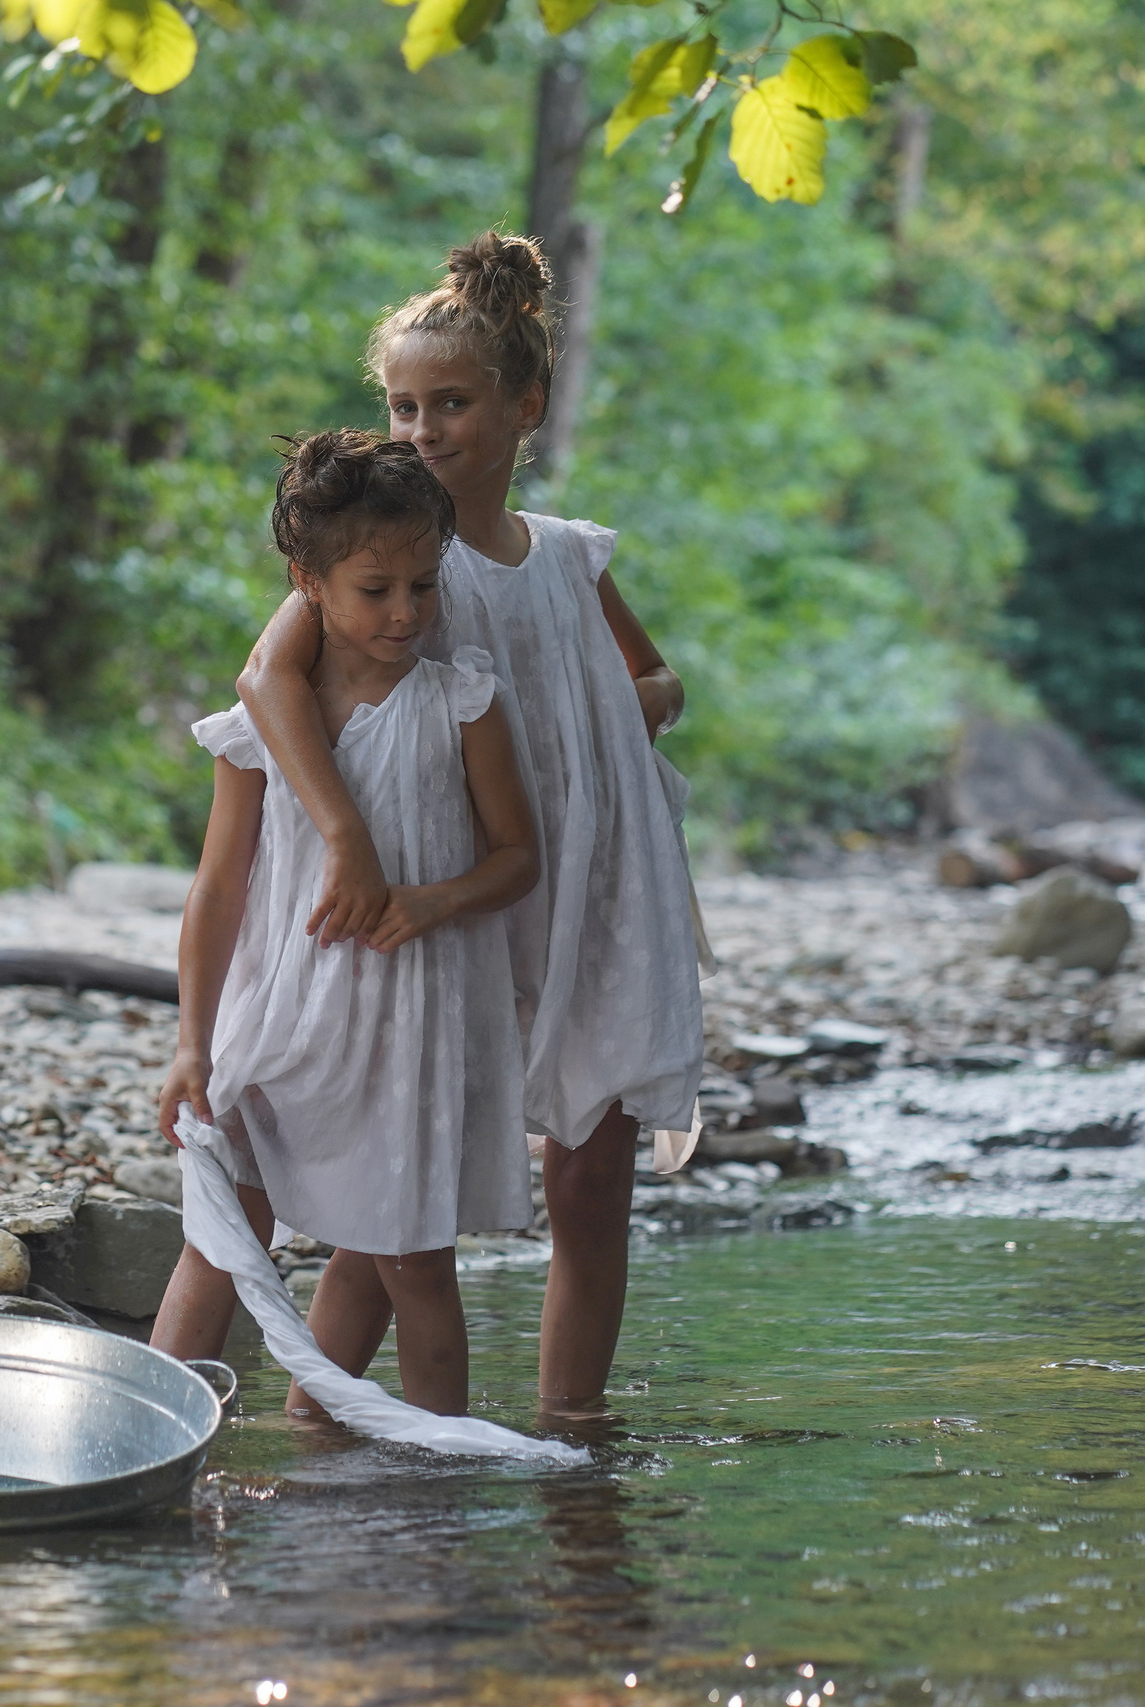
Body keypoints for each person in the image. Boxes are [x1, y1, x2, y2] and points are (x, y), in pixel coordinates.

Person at [235, 231, 705, 1417]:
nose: (421, 430)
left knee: (591, 1178)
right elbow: (263, 684)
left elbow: (657, 682)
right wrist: (345, 837)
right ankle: (322, 1422)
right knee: (406, 1181)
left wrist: (614, 716)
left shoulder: (568, 558)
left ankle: (571, 1438)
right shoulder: (395, 563)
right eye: (402, 407)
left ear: (522, 405)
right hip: (454, 886)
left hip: (590, 881)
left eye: (449, 403)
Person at [150, 429, 539, 1419]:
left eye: (424, 585)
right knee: (221, 1233)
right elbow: (217, 891)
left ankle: (429, 1476)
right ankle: (142, 1440)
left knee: (413, 1263)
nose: (406, 611)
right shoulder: (256, 731)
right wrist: (192, 1044)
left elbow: (516, 857)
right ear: (307, 583)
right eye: (376, 590)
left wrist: (429, 901)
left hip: (404, 1030)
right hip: (277, 1015)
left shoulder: (460, 703)